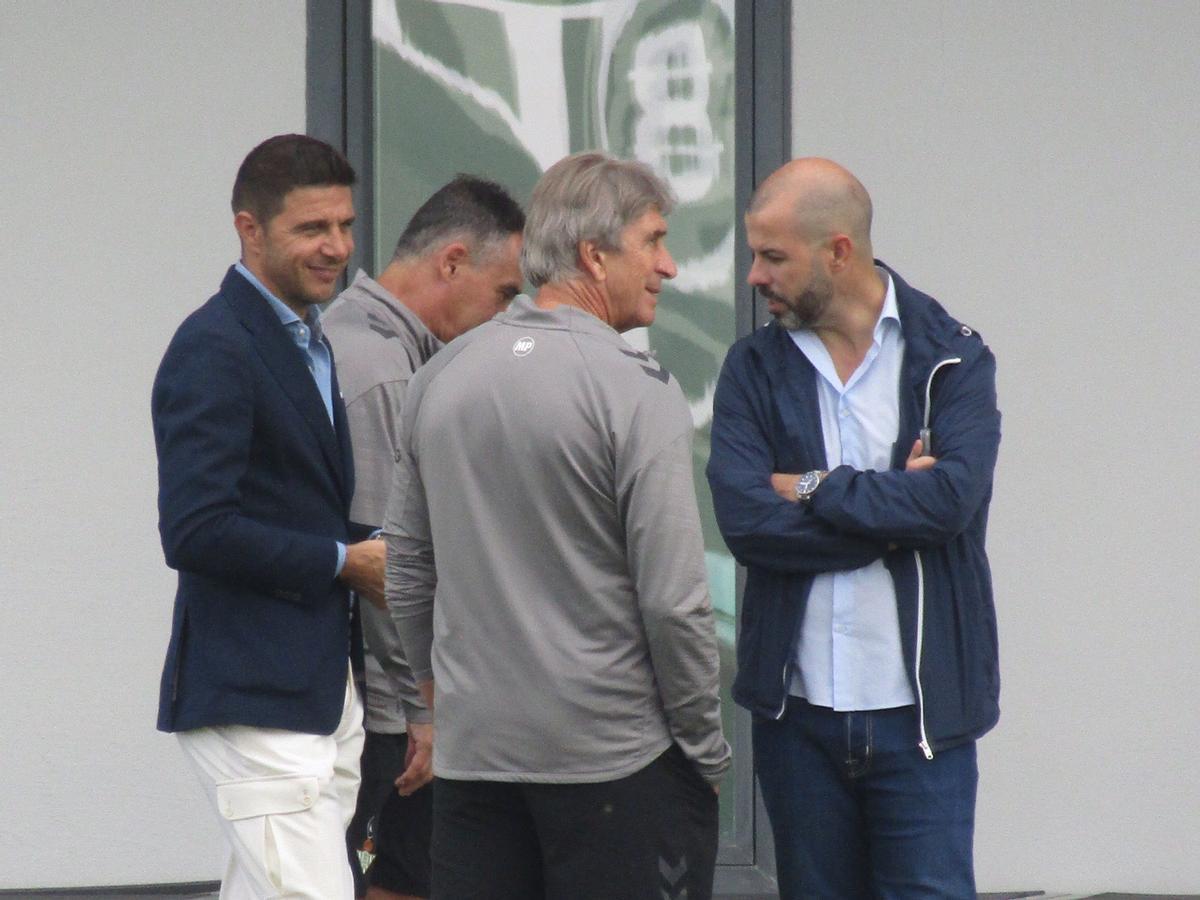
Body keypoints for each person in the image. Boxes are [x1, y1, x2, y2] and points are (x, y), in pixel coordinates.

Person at [382, 151, 731, 900]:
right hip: (613, 766)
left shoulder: (439, 376)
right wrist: (705, 749)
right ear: (594, 255)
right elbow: (674, 602)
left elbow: (406, 571)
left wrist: (439, 699)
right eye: (653, 240)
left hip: (476, 764)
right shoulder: (635, 389)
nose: (669, 266)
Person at [706, 157, 1001, 898]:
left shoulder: (953, 358)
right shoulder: (753, 367)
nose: (754, 275)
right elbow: (747, 524)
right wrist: (896, 517)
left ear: (837, 251)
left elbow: (949, 505)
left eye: (773, 256)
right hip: (798, 718)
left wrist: (812, 486)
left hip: (922, 719)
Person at [151, 133, 386, 900]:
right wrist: (345, 561)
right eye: (313, 228)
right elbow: (195, 529)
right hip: (254, 693)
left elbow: (297, 503)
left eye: (345, 226)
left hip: (315, 693)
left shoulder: (309, 342)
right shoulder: (214, 347)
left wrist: (372, 551)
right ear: (248, 229)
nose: (338, 248)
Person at [322, 175, 525, 900]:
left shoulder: (366, 341)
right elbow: (387, 565)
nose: (506, 315)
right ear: (452, 262)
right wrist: (422, 711)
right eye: (504, 292)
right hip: (384, 708)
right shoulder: (380, 370)